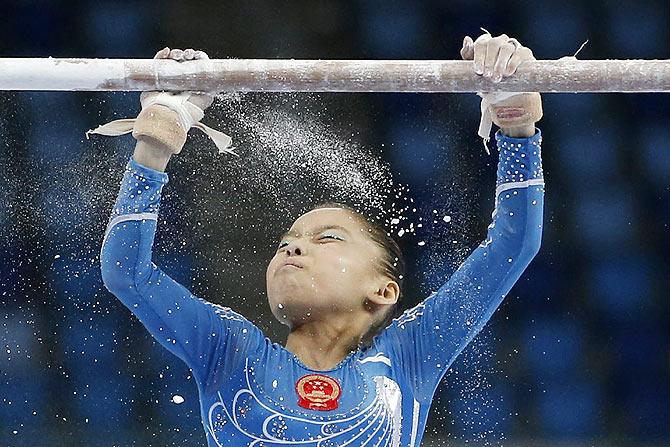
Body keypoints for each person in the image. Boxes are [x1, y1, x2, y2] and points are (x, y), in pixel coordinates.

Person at [100, 31, 544, 447]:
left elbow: (513, 244)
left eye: (327, 239)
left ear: (383, 291)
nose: (292, 248)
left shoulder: (410, 357)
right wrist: (158, 139)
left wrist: (515, 122)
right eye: (285, 243)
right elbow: (128, 275)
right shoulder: (230, 351)